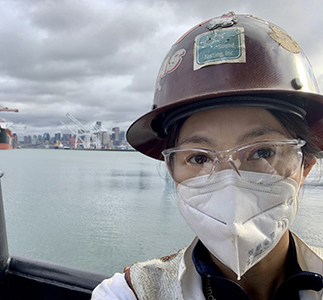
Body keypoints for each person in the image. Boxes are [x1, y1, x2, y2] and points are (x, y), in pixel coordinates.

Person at [91, 12, 323, 300]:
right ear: (172, 171)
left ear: (305, 165)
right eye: (200, 158)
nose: (229, 183)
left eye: (262, 152)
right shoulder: (130, 293)